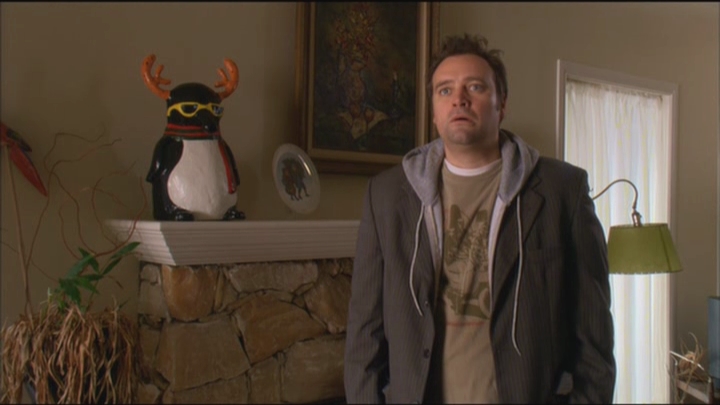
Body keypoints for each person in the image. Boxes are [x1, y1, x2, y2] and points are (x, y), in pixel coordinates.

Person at [344, 33, 616, 404]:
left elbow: (594, 337)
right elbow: (364, 335)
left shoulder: (562, 191)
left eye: (475, 86)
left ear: (502, 104)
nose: (459, 98)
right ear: (434, 111)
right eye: (445, 90)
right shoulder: (386, 196)